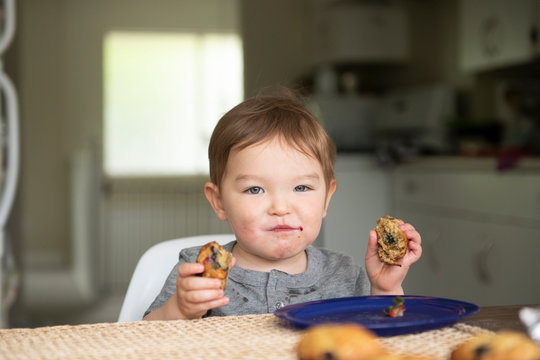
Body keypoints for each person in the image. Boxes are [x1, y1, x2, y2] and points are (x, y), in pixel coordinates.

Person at [143, 92, 422, 321]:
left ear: (327, 198)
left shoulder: (344, 274)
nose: (280, 207)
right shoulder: (198, 270)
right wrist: (179, 310)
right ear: (219, 202)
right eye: (255, 189)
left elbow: (387, 333)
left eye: (301, 188)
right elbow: (140, 340)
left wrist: (387, 288)